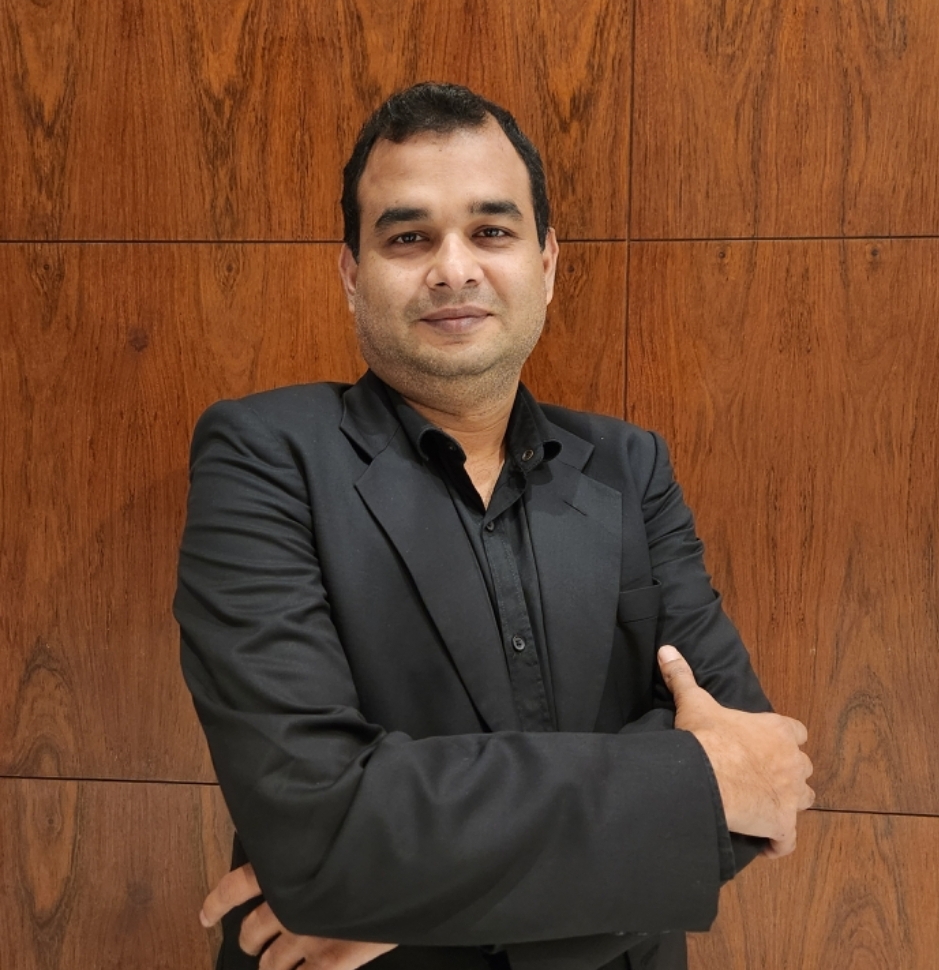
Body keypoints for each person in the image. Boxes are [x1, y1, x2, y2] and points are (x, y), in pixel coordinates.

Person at [176, 82, 814, 970]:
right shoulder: (264, 455)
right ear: (352, 273)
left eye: (490, 231)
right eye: (408, 237)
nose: (453, 268)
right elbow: (317, 824)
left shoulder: (629, 467)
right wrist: (679, 796)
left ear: (545, 263)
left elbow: (759, 785)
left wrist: (395, 900)